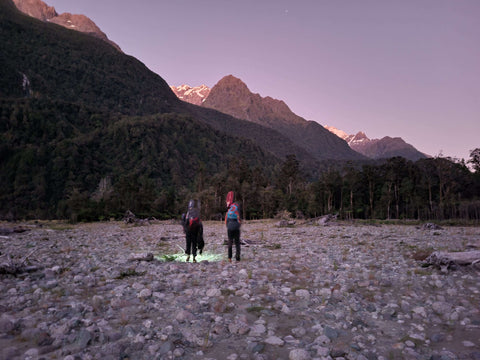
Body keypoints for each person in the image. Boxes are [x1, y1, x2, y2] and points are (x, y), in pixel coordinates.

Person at [225, 191, 241, 262]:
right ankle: (237, 257)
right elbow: (239, 218)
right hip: (236, 226)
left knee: (230, 242)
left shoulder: (229, 209)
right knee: (237, 242)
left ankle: (229, 258)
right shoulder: (237, 207)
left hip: (229, 226)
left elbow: (226, 220)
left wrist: (228, 226)